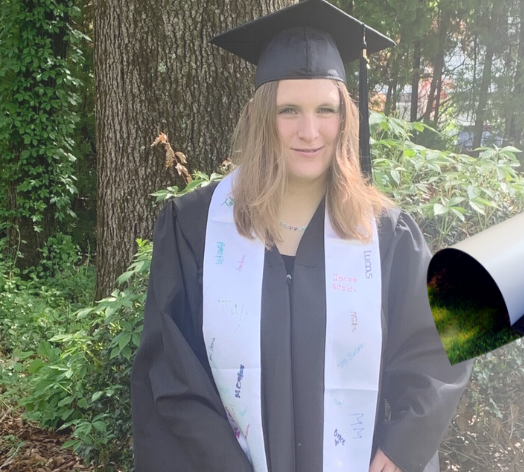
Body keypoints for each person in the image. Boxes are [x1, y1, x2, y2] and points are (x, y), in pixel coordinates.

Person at [130, 1, 472, 471]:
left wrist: (402, 447)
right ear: (259, 115)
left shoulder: (385, 236)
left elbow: (438, 351)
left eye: (325, 110)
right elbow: (172, 372)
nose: (309, 132)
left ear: (345, 118)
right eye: (289, 109)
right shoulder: (194, 228)